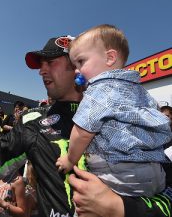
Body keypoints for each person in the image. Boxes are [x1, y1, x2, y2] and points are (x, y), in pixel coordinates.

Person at [0, 35, 172, 217]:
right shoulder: (33, 121)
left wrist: (121, 209)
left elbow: (167, 188)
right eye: (40, 65)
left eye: (50, 62)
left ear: (76, 65)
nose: (41, 71)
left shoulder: (128, 112)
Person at [56, 24, 172, 197]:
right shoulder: (138, 89)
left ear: (110, 58)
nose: (77, 71)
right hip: (155, 171)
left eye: (81, 61)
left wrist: (70, 159)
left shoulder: (99, 90)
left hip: (119, 174)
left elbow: (82, 132)